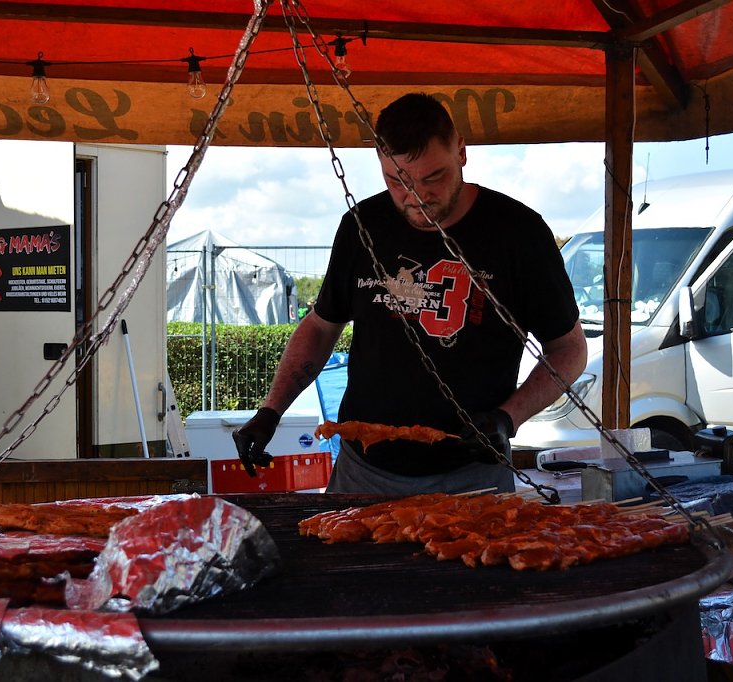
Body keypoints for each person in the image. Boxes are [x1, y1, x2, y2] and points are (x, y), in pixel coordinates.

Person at [232, 93, 587, 495]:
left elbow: (569, 349)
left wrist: (509, 418)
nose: (416, 196)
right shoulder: (362, 226)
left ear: (461, 152)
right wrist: (271, 410)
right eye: (398, 181)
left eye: (433, 178)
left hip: (473, 475)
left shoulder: (519, 233)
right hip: (364, 472)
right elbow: (320, 327)